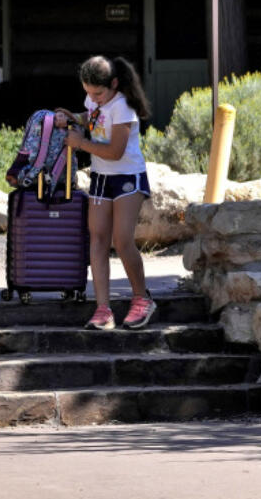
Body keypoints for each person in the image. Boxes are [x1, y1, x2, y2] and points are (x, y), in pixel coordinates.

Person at [55, 55, 155, 330]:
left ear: (113, 84)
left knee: (122, 240)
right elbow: (93, 117)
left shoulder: (123, 106)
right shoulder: (96, 99)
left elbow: (115, 151)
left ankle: (141, 298)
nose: (93, 98)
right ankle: (102, 309)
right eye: (88, 93)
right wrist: (75, 118)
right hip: (101, 178)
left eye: (98, 93)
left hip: (127, 177)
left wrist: (81, 143)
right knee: (97, 240)